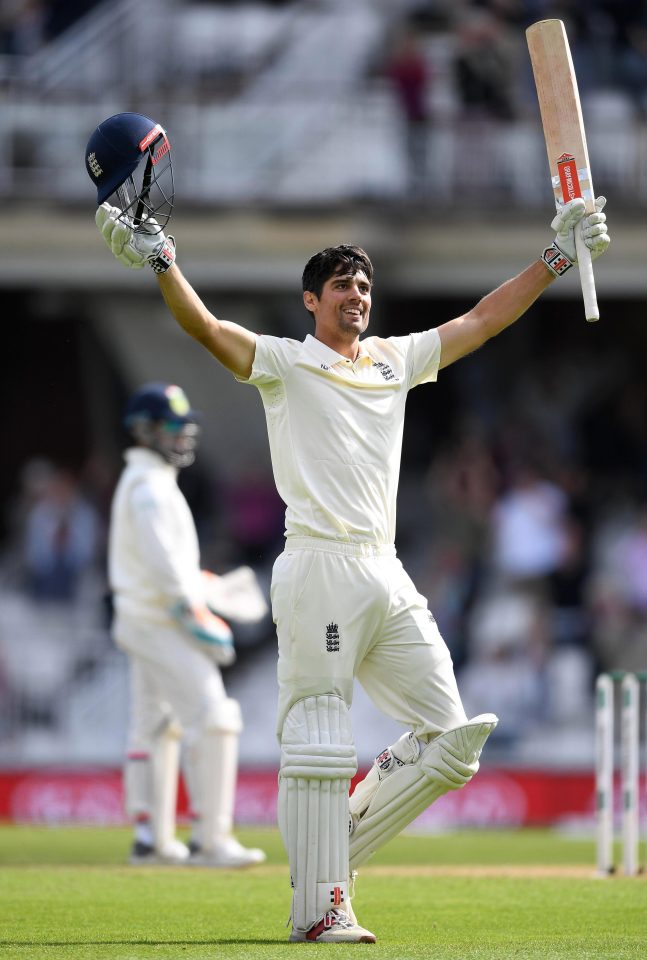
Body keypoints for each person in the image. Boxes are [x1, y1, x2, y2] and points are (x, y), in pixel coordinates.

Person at [88, 112, 609, 942]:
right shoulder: (287, 363)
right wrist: (165, 265)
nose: (357, 297)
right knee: (322, 740)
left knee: (452, 738)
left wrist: (553, 256)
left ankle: (333, 858)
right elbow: (208, 332)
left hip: (384, 569)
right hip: (319, 566)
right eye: (341, 286)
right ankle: (320, 905)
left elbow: (480, 321)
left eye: (364, 287)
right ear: (311, 300)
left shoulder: (395, 360)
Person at [108, 380, 267, 869]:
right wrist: (200, 618)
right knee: (214, 717)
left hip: (141, 616)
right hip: (159, 620)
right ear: (144, 432)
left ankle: (152, 840)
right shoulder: (150, 489)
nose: (183, 436)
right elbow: (166, 574)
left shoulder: (145, 483)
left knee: (155, 726)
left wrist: (205, 587)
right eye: (172, 427)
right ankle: (211, 840)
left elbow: (164, 565)